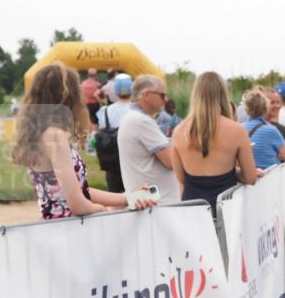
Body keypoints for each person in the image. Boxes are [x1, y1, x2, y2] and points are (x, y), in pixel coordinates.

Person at [11, 62, 155, 219]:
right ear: (67, 95)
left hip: (57, 228)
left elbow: (77, 190)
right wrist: (108, 211)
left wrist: (126, 198)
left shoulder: (40, 133)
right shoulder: (55, 136)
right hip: (70, 230)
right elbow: (78, 205)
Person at [171, 71, 261, 210]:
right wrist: (233, 173)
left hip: (192, 212)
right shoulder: (237, 130)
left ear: (195, 94)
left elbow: (182, 179)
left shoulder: (179, 132)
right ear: (223, 94)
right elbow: (250, 178)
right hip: (227, 211)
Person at [118, 75, 180, 205]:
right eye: (162, 95)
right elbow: (171, 161)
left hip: (150, 201)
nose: (165, 99)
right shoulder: (142, 121)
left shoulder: (134, 118)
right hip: (157, 204)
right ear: (146, 95)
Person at [242, 88, 285, 169]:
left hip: (248, 176)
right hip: (269, 176)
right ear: (266, 107)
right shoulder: (272, 130)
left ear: (247, 108)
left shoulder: (241, 128)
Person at [97, 74, 134, 192]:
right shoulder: (137, 109)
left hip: (112, 160)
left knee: (115, 195)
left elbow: (101, 129)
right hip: (132, 159)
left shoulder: (106, 111)